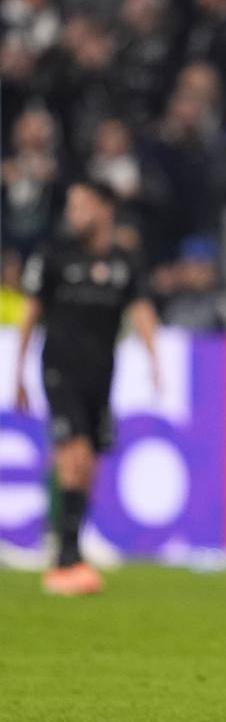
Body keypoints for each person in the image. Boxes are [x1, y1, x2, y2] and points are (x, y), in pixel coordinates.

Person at [12, 181, 161, 597]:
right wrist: (18, 371)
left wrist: (155, 357)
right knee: (73, 454)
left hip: (101, 375)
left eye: (82, 205)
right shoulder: (54, 255)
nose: (73, 213)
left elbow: (141, 308)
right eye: (71, 205)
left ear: (104, 209)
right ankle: (63, 556)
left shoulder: (124, 261)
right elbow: (31, 313)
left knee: (89, 461)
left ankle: (72, 549)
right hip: (59, 370)